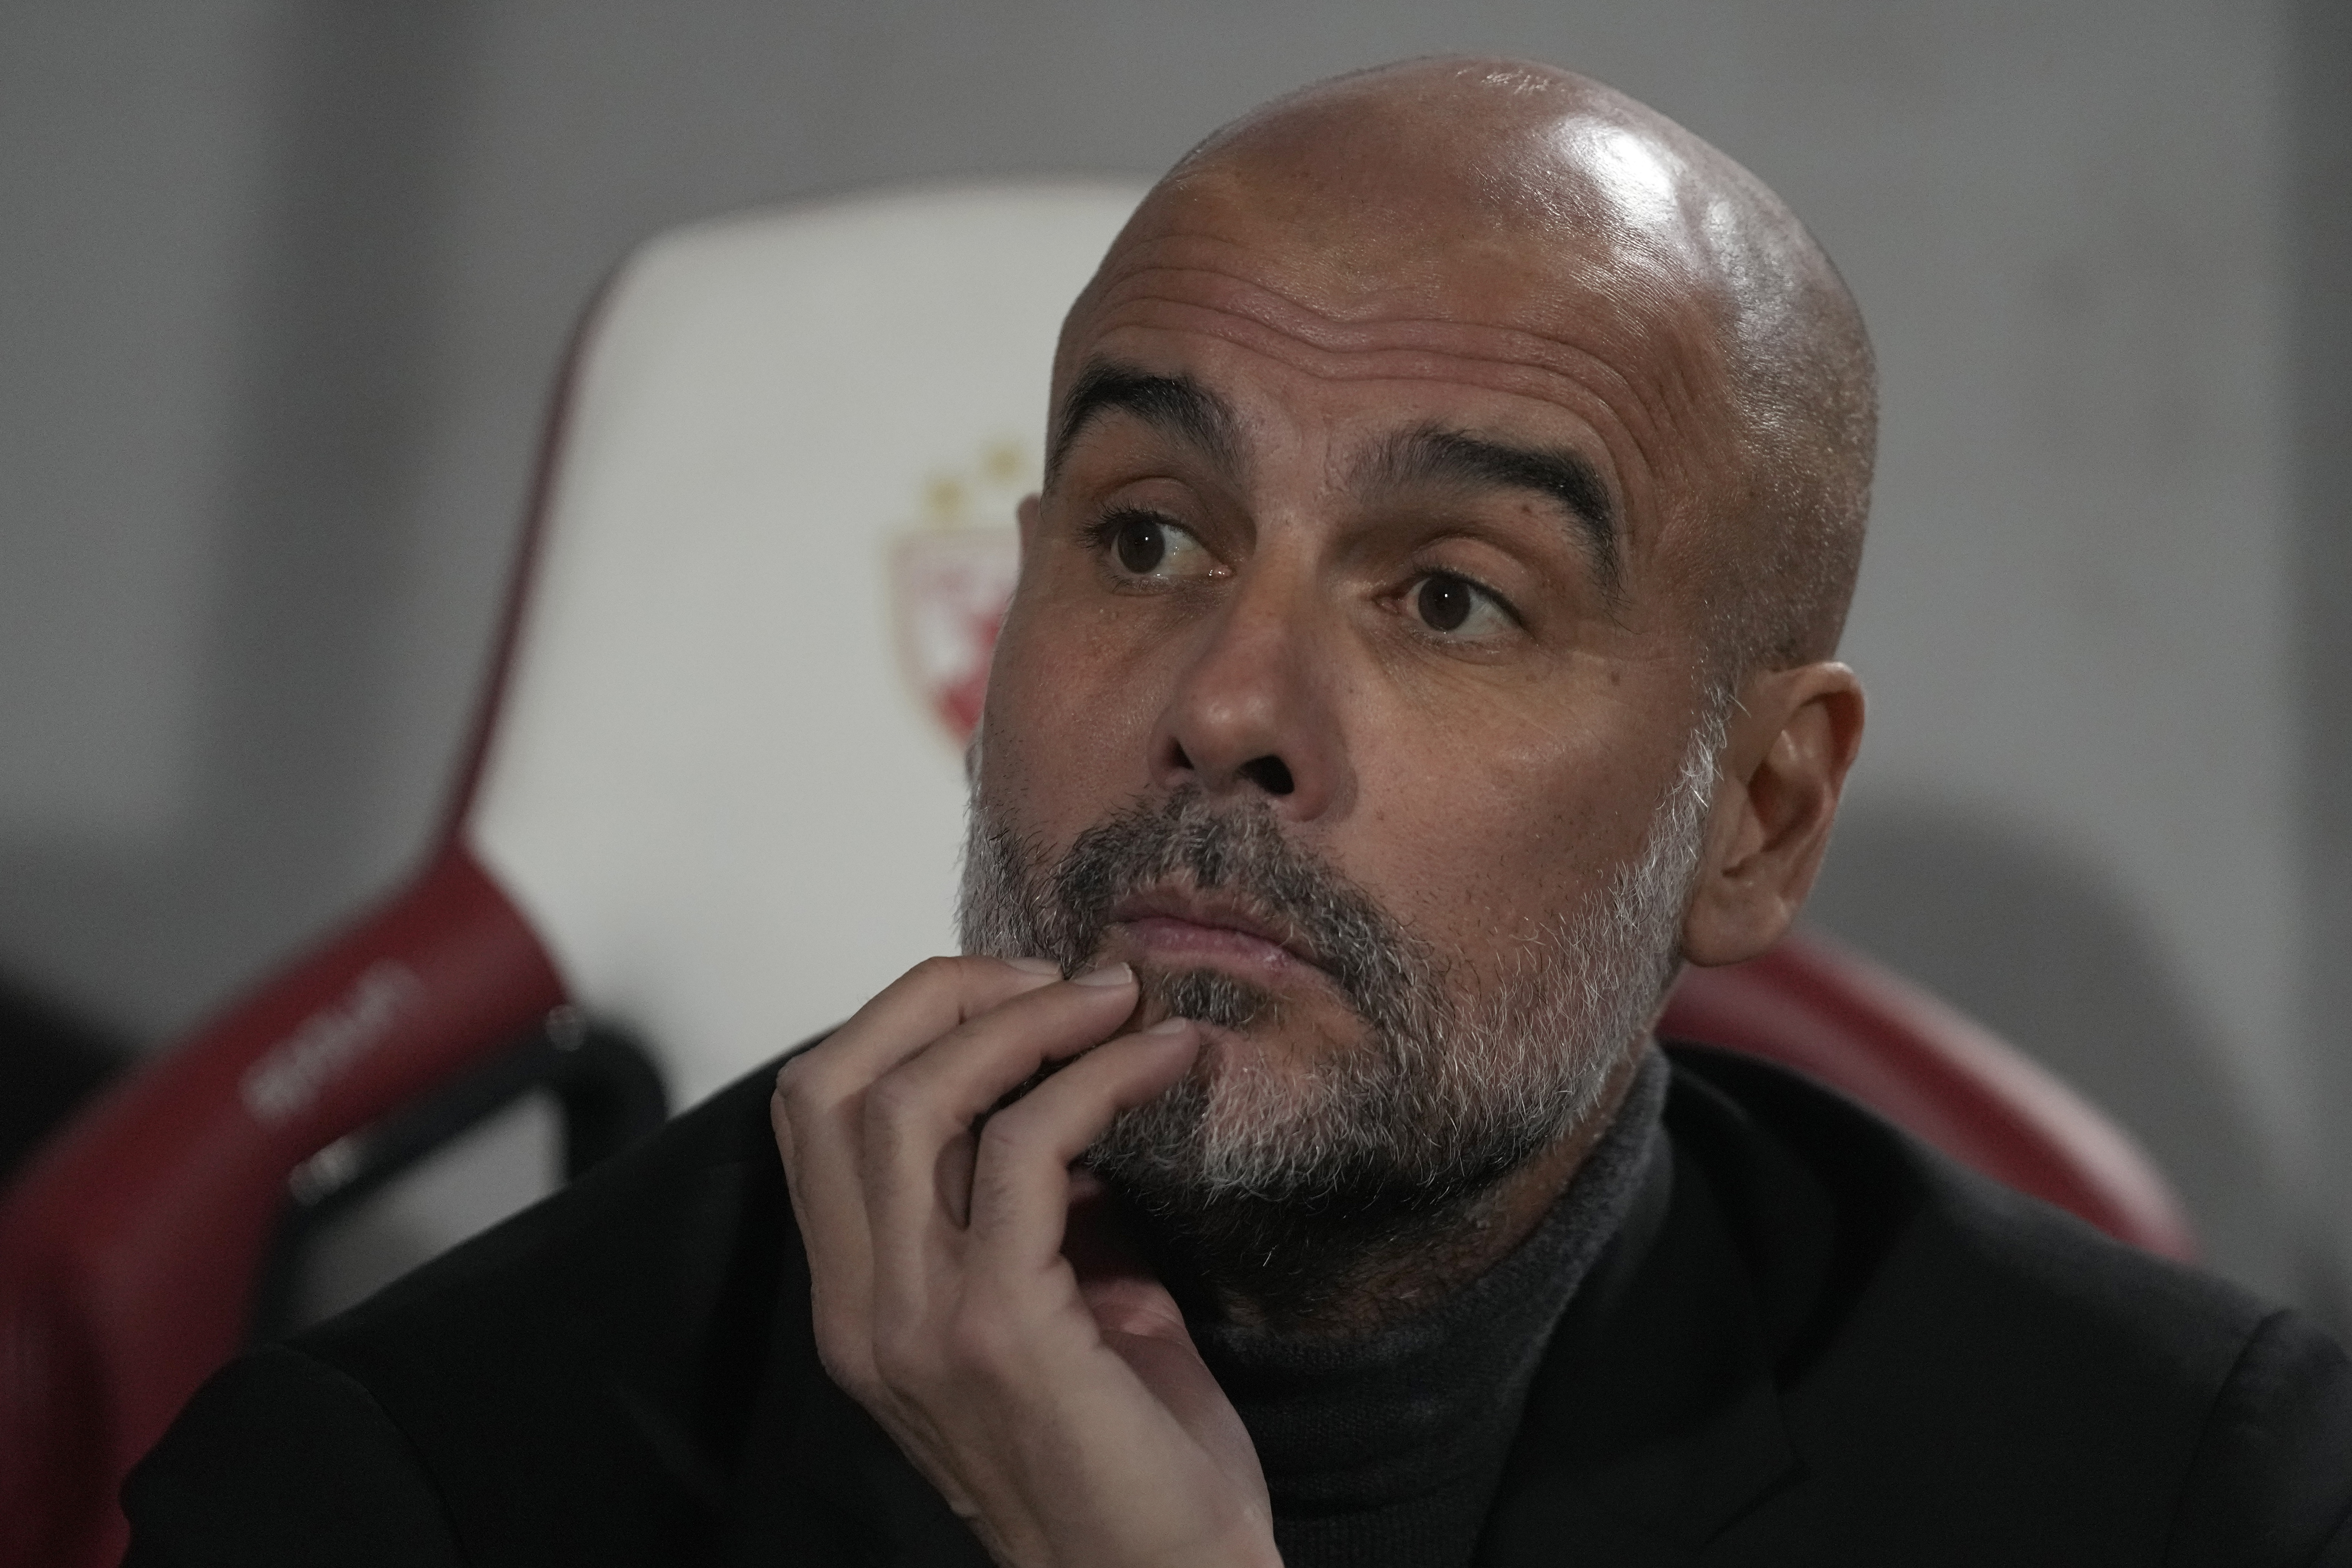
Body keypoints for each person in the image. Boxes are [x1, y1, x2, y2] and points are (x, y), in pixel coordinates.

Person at [123, 57, 2352, 1567]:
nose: (1228, 707)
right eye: (1152, 538)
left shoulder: (2174, 1493)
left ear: (1759, 815)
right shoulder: (414, 1489)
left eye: (1454, 595)